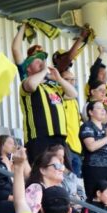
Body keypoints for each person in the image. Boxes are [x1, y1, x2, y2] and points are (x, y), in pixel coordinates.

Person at [13, 23, 79, 162]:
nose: (42, 63)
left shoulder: (53, 85)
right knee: (42, 171)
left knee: (61, 172)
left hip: (60, 139)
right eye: (37, 61)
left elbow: (73, 94)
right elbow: (15, 49)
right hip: (39, 138)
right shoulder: (26, 79)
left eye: (43, 60)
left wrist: (59, 78)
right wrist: (23, 27)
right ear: (28, 68)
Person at [79, 100, 107, 199]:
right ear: (91, 112)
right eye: (99, 108)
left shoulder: (106, 128)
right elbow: (91, 147)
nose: (103, 110)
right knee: (95, 198)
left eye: (103, 108)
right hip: (94, 167)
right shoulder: (87, 126)